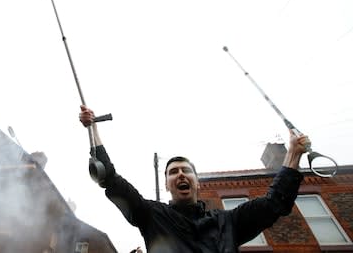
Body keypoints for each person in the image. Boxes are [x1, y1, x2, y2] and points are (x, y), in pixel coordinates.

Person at [79, 105, 310, 253]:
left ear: (197, 182)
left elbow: (274, 203)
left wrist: (293, 154)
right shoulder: (152, 215)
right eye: (173, 172)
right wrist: (93, 129)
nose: (180, 174)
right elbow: (109, 178)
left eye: (185, 170)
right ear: (167, 185)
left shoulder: (228, 222)